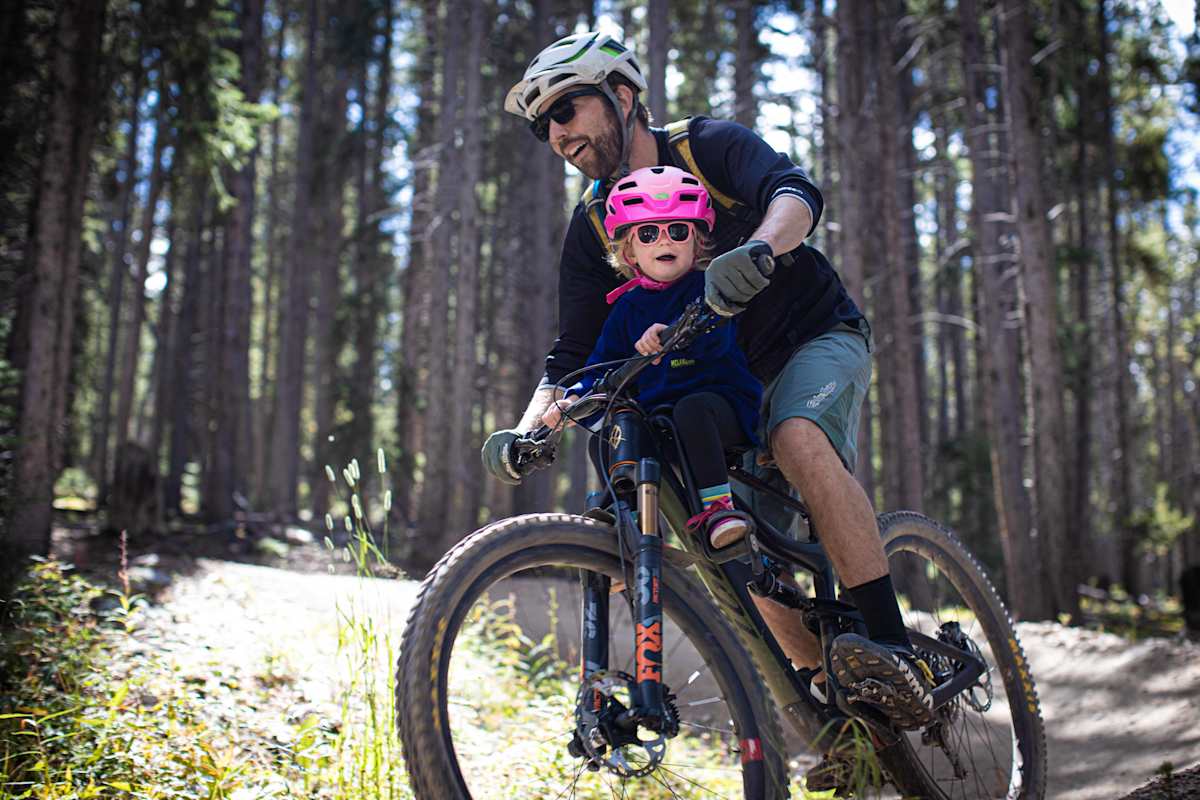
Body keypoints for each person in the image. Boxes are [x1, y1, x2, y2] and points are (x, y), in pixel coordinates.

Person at [483, 31, 935, 785]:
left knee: (795, 434)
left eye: (565, 109)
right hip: (711, 391)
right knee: (734, 557)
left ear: (623, 96)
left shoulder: (706, 147)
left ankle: (893, 652)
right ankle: (846, 726)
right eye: (542, 127)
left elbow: (795, 193)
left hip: (809, 339)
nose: (556, 134)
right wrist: (529, 432)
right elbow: (573, 354)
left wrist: (758, 249)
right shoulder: (594, 225)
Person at [541, 165, 759, 549]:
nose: (664, 241)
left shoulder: (707, 288)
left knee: (691, 410)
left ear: (697, 242)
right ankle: (630, 525)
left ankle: (718, 508)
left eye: (678, 231)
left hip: (720, 413)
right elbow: (603, 363)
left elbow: (717, 341)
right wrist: (574, 398)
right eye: (648, 233)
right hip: (661, 422)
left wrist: (674, 332)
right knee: (607, 437)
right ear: (629, 250)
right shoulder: (627, 308)